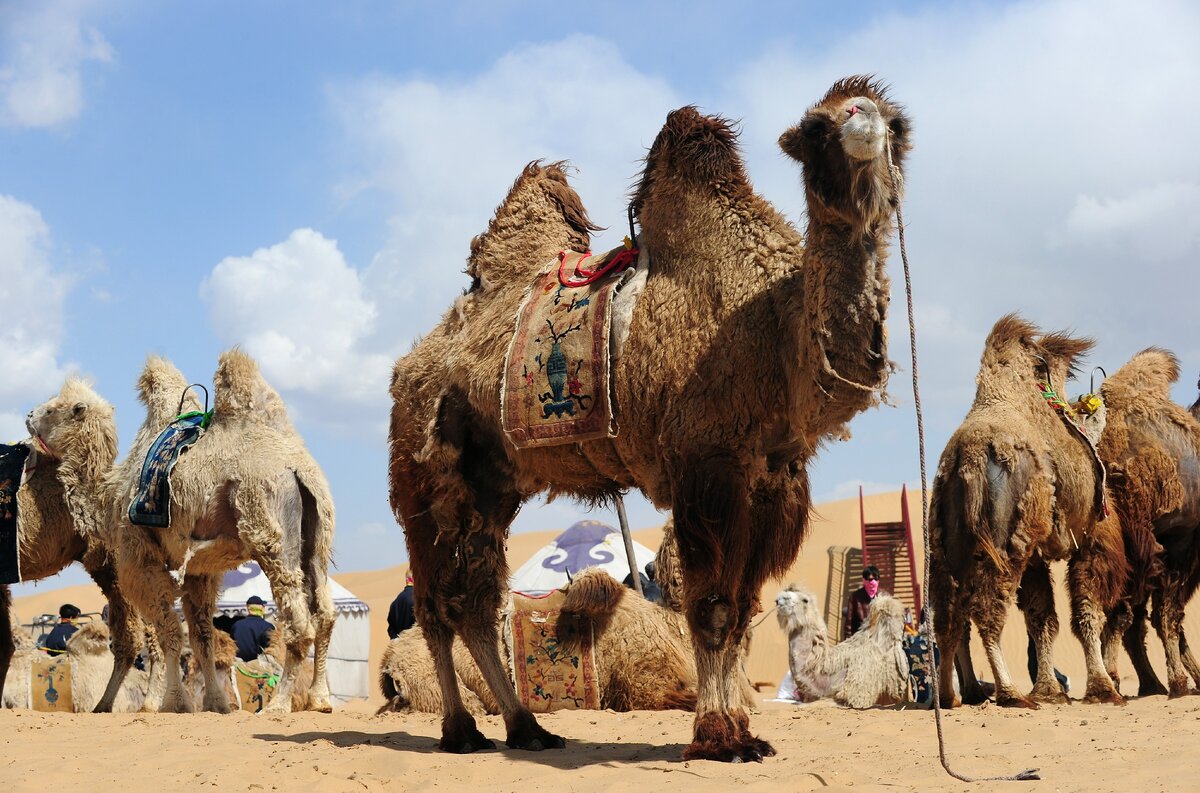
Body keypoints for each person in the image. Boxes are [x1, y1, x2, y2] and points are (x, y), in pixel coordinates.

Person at [231, 595, 274, 662]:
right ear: (262, 608)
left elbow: (231, 646)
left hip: (239, 666)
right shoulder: (268, 626)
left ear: (248, 608)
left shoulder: (236, 625)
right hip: (260, 667)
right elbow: (271, 650)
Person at [845, 565, 882, 638]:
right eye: (870, 579)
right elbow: (849, 623)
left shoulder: (884, 596)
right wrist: (847, 641)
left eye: (876, 579)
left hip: (879, 639)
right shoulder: (855, 597)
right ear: (864, 580)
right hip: (861, 638)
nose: (873, 582)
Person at [387, 571, 415, 639]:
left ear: (406, 580)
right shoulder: (419, 600)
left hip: (400, 646)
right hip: (417, 646)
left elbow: (391, 629)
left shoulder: (395, 602)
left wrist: (397, 640)